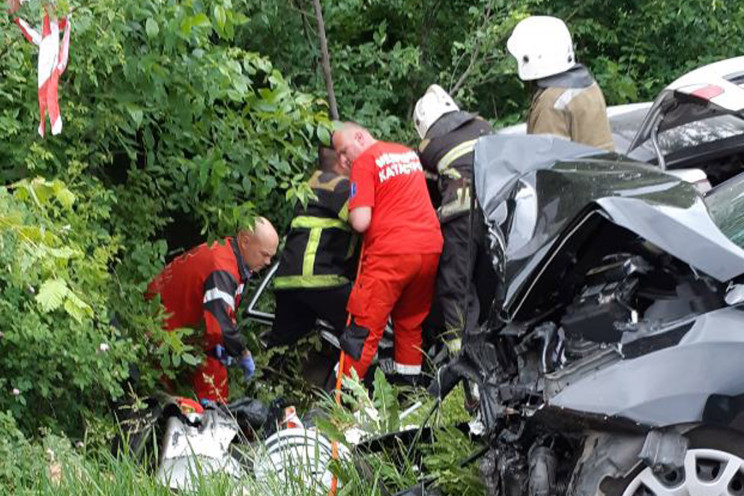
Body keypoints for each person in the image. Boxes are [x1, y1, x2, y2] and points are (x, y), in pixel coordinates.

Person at [332, 122, 443, 383]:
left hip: (391, 254)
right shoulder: (406, 154)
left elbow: (361, 221)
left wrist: (349, 209)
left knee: (363, 327)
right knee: (410, 324)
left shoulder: (365, 161)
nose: (343, 159)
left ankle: (343, 402)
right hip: (429, 249)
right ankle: (408, 392)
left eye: (343, 151)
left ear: (359, 136)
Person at [147, 218, 279, 403]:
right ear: (245, 240)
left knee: (213, 393)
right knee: (160, 396)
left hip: (178, 328)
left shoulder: (228, 255)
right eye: (264, 254)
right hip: (160, 330)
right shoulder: (223, 267)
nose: (268, 262)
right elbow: (219, 324)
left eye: (271, 257)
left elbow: (221, 316)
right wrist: (241, 352)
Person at [413, 85, 496, 350]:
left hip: (462, 216)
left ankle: (461, 355)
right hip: (499, 209)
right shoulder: (483, 125)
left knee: (456, 285)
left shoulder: (428, 147)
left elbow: (425, 194)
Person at [267, 146, 357, 348]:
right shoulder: (343, 187)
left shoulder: (310, 184)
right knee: (362, 330)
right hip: (322, 279)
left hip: (287, 279)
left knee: (282, 347)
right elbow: (363, 220)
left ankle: (265, 377)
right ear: (344, 160)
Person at [507, 15, 614, 151]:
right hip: (602, 169)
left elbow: (547, 162)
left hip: (580, 171)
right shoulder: (588, 85)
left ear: (531, 58)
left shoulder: (551, 103)